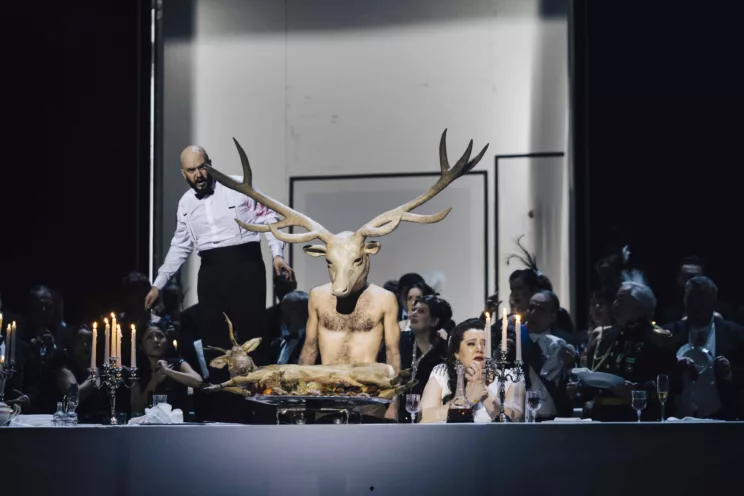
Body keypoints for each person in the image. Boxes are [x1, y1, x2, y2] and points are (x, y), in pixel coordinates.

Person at [144, 145, 293, 366]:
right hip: (210, 270)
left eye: (202, 167)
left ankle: (256, 386)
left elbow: (269, 218)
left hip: (246, 265)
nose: (198, 175)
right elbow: (180, 245)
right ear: (184, 174)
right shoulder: (185, 203)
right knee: (214, 339)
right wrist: (158, 284)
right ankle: (219, 387)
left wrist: (277, 255)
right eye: (191, 170)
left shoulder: (238, 186)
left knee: (252, 336)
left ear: (210, 164)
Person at [584, 282, 678, 421]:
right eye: (616, 300)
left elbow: (671, 382)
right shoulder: (607, 335)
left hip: (638, 417)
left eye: (621, 301)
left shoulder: (657, 339)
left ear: (639, 307)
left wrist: (637, 390)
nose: (615, 305)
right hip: (602, 417)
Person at [665, 277, 744, 420]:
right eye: (692, 299)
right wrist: (673, 368)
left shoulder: (736, 334)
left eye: (703, 300)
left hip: (723, 420)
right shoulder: (668, 334)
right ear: (684, 301)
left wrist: (729, 374)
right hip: (676, 420)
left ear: (714, 302)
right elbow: (654, 375)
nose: (697, 306)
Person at [420, 318, 524, 423]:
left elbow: (514, 419)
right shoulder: (442, 373)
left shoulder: (511, 377)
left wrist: (483, 390)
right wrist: (467, 401)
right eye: (471, 344)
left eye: (484, 344)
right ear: (457, 353)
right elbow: (424, 417)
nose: (479, 348)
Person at [521, 291, 576, 420]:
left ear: (552, 316)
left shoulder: (566, 341)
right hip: (524, 418)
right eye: (530, 308)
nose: (532, 313)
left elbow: (574, 380)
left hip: (558, 418)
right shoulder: (516, 338)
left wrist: (569, 366)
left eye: (540, 309)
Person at [131, 322, 203, 414]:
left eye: (160, 336)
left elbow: (198, 382)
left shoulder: (178, 364)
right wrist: (154, 381)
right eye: (149, 337)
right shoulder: (137, 372)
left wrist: (167, 371)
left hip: (177, 421)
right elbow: (136, 407)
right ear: (141, 346)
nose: (156, 340)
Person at [399, 295, 450, 422]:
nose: (413, 314)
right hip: (398, 411)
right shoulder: (400, 342)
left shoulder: (444, 350)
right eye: (413, 310)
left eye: (421, 311)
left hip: (428, 415)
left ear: (434, 321)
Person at [52, 325, 106, 423]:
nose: (85, 345)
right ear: (74, 344)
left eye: (89, 341)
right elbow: (73, 399)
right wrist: (93, 378)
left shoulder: (101, 370)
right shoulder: (66, 371)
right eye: (81, 341)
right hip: (73, 425)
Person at [273, 291, 309, 365]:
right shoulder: (278, 344)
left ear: (305, 312)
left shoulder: (312, 343)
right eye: (283, 312)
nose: (285, 318)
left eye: (290, 311)